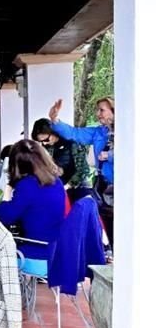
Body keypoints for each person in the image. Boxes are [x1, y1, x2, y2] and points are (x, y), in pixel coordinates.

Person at [49, 97, 114, 243]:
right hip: (103, 185)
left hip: (121, 185)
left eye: (102, 110)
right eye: (98, 110)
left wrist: (110, 156)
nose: (98, 114)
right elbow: (75, 134)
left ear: (114, 112)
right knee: (106, 224)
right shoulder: (99, 132)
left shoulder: (127, 129)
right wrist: (55, 120)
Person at [0, 139, 66, 260]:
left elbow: (4, 217)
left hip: (36, 251)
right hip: (58, 249)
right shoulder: (57, 181)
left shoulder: (26, 185)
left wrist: (7, 190)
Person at [31, 118, 77, 185]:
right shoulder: (45, 147)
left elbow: (83, 170)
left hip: (76, 186)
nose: (44, 143)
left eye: (46, 140)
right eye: (41, 141)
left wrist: (69, 185)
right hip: (56, 185)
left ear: (53, 133)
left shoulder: (71, 143)